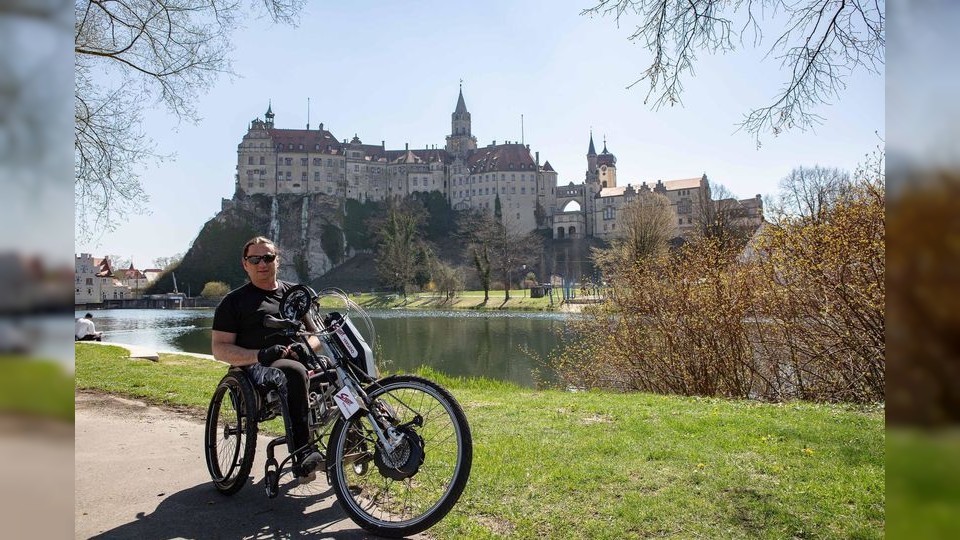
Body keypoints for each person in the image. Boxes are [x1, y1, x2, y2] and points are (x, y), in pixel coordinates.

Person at [211, 236, 323, 482]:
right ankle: (303, 455)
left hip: (297, 357)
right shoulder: (233, 302)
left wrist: (306, 347)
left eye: (268, 257)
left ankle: (353, 437)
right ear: (245, 264)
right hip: (257, 366)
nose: (262, 264)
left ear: (277, 261)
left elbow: (315, 336)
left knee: (339, 368)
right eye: (255, 259)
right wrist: (259, 354)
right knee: (292, 372)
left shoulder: (294, 294)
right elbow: (220, 349)